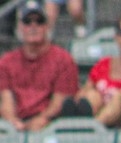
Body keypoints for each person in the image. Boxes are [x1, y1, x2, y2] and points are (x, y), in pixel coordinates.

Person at [0, 0, 78, 132]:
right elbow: (6, 102)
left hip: (50, 124)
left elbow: (59, 103)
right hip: (15, 124)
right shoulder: (6, 61)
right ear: (19, 27)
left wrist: (40, 120)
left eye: (39, 21)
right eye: (27, 22)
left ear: (47, 26)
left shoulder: (63, 59)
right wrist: (13, 122)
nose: (33, 26)